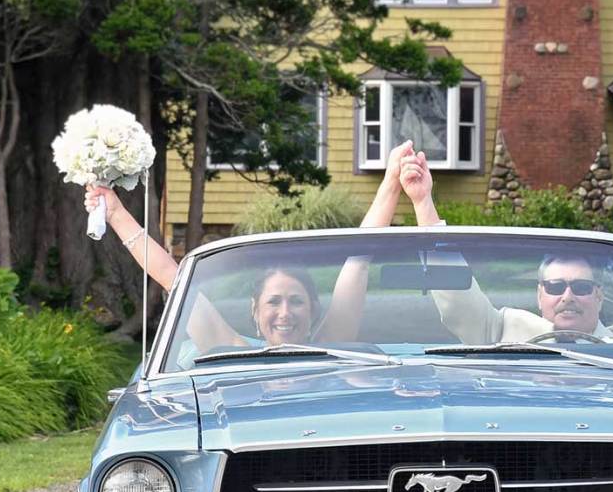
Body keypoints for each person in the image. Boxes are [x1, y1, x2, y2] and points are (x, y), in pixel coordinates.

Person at [84, 140, 417, 352]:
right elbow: (172, 276)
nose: (285, 313)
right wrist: (114, 213)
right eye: (274, 301)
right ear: (255, 311)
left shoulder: (334, 343)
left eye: (296, 301)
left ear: (314, 309)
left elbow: (358, 262)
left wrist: (391, 184)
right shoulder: (231, 351)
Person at [394, 148, 613, 365]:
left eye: (581, 287)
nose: (568, 296)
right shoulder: (505, 331)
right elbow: (458, 298)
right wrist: (423, 202)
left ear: (599, 296)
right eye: (555, 287)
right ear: (540, 296)